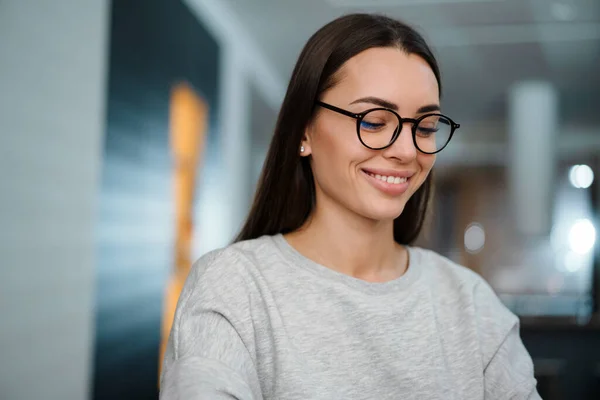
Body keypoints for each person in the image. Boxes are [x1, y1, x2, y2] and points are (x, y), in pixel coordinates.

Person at [160, 13, 540, 400]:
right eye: (374, 122)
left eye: (425, 127)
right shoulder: (234, 287)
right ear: (304, 131)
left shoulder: (471, 304)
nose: (408, 151)